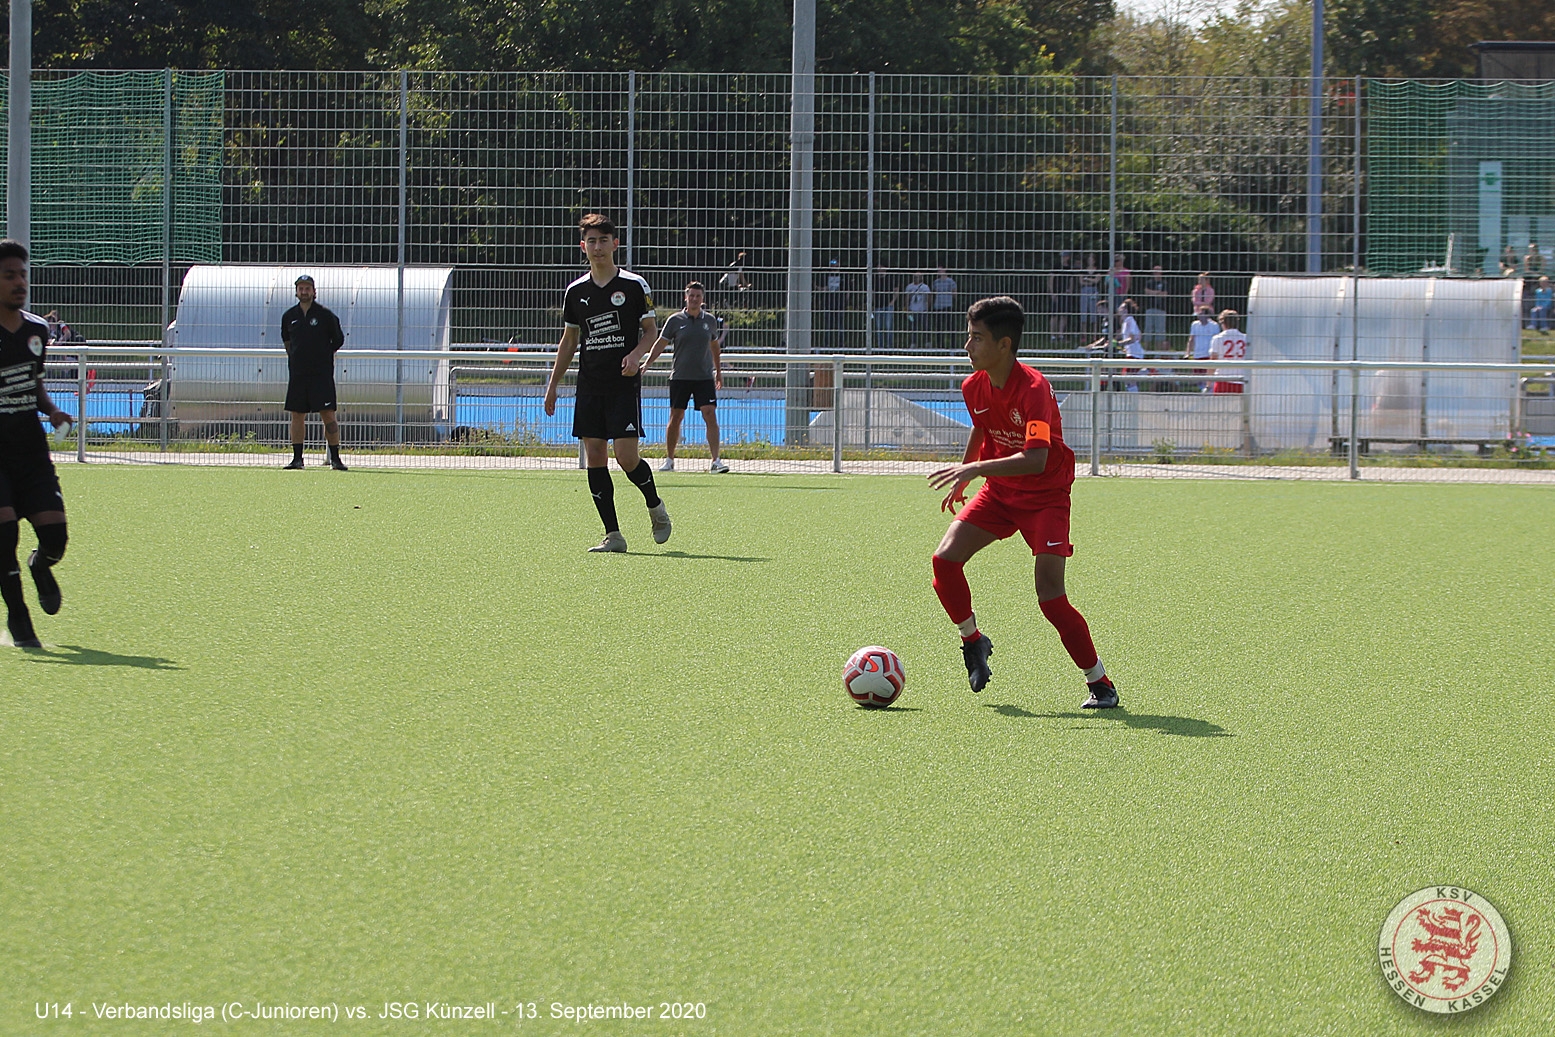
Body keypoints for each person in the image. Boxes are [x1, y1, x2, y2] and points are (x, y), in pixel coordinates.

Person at [926, 296, 1118, 709]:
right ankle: (973, 641)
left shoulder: (1034, 390)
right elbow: (982, 427)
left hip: (1046, 498)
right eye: (968, 335)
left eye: (977, 338)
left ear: (1004, 345)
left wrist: (975, 468)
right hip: (999, 492)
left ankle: (1100, 683)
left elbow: (1037, 458)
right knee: (944, 561)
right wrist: (966, 475)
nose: (967, 345)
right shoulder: (973, 386)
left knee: (1050, 597)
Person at [543, 212, 670, 553]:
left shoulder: (633, 285)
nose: (597, 247)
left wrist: (636, 355)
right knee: (595, 456)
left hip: (622, 384)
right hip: (589, 385)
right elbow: (570, 340)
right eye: (591, 241)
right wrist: (553, 384)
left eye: (603, 240)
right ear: (582, 247)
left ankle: (655, 506)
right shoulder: (576, 291)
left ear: (615, 244)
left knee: (626, 457)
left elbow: (650, 332)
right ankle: (613, 535)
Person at [0, 239, 73, 648]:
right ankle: (20, 621)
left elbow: (34, 384)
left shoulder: (37, 331)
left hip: (30, 452)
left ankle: (40, 566)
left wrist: (53, 410)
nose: (20, 283)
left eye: (23, 275)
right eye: (9, 275)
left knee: (56, 540)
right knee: (3, 533)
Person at [645, 281, 729, 473]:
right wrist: (647, 364)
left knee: (710, 414)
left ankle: (716, 461)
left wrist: (718, 372)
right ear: (686, 297)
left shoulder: (710, 321)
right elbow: (660, 343)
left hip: (704, 377)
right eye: (691, 295)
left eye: (698, 296)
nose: (694, 299)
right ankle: (669, 460)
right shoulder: (675, 320)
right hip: (680, 377)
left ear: (702, 299)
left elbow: (714, 347)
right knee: (676, 416)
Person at [280, 274, 348, 471]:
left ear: (314, 291)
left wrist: (322, 356)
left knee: (328, 415)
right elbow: (287, 341)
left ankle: (335, 459)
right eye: (301, 288)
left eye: (307, 288)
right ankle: (297, 459)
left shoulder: (325, 315)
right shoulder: (289, 316)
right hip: (298, 375)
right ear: (296, 291)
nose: (304, 292)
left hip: (321, 375)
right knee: (297, 415)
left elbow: (338, 339)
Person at [1209, 309, 1248, 394]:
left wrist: (1208, 384)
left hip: (1222, 379)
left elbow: (1213, 362)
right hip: (1241, 379)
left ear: (1223, 323)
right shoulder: (1245, 338)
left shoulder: (1218, 338)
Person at [1185, 305, 1220, 392]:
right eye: (1199, 314)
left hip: (1208, 354)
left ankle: (1209, 390)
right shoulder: (1195, 324)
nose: (1199, 316)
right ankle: (1201, 391)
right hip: (1197, 354)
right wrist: (1187, 353)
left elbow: (1217, 340)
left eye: (1201, 314)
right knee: (1198, 376)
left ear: (1207, 315)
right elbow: (1191, 339)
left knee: (1208, 374)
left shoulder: (1214, 325)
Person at [1047, 251, 1076, 340]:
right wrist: (1052, 293)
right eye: (1062, 256)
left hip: (1065, 293)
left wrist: (1070, 291)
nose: (1063, 258)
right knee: (1054, 315)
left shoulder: (1070, 268)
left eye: (1065, 256)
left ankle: (1061, 334)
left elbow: (1071, 280)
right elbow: (1051, 279)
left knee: (1064, 314)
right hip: (1056, 293)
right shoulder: (1056, 267)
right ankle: (1053, 335)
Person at [1117, 300, 1144, 392]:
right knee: (1128, 378)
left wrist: (1119, 343)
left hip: (1135, 354)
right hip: (1131, 353)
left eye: (1121, 307)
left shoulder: (1130, 320)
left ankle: (1147, 371)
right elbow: (1139, 335)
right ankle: (1132, 396)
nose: (1119, 309)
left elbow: (1132, 339)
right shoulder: (1125, 322)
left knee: (1128, 377)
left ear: (1126, 310)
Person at [1143, 265, 1169, 350]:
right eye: (1155, 271)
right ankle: (1146, 349)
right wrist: (1158, 292)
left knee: (1160, 330)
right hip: (1150, 307)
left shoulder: (1164, 283)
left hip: (1161, 308)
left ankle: (1158, 350)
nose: (1157, 273)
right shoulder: (1149, 282)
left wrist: (1153, 293)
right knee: (1148, 328)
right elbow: (1147, 292)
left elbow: (1165, 294)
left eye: (1158, 271)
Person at [871, 270, 898, 351]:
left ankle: (890, 347)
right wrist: (872, 303)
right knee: (879, 327)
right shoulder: (875, 279)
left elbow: (896, 290)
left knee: (888, 326)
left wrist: (892, 302)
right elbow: (872, 292)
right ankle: (880, 347)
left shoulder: (891, 278)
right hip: (878, 306)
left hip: (888, 305)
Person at [932, 265, 958, 345]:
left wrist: (955, 300)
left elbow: (954, 293)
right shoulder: (936, 282)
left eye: (940, 270)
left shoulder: (950, 281)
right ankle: (940, 345)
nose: (938, 272)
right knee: (939, 327)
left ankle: (953, 345)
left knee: (950, 326)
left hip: (948, 305)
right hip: (938, 306)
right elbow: (934, 293)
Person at [904, 272, 930, 348]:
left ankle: (927, 342)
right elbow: (907, 298)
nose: (916, 278)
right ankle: (913, 343)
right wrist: (907, 309)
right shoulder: (909, 287)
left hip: (923, 310)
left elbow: (929, 297)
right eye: (915, 276)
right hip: (912, 310)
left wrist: (927, 307)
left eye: (918, 277)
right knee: (912, 327)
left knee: (925, 327)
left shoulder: (925, 287)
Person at [1078, 255, 1101, 333]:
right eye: (1089, 259)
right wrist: (1091, 280)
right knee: (1083, 311)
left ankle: (1094, 333)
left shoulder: (1098, 270)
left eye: (1092, 259)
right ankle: (1083, 334)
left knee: (1094, 311)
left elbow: (1096, 281)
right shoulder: (1083, 270)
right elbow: (1081, 282)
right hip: (1084, 290)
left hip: (1094, 291)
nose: (1090, 261)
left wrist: (1087, 279)